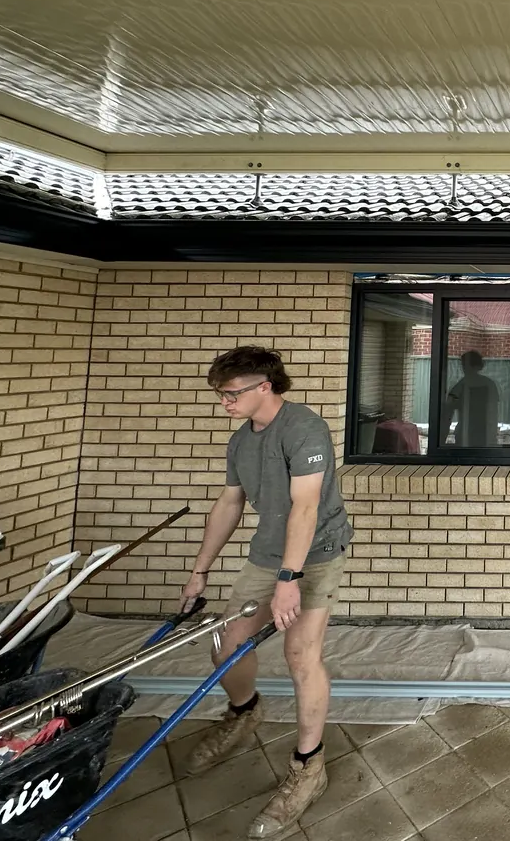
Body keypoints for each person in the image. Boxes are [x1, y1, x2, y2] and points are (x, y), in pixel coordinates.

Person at [179, 345, 352, 839]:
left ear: (265, 387)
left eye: (231, 393)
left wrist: (288, 581)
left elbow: (306, 507)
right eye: (220, 394)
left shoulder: (304, 428)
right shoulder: (240, 441)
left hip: (316, 554)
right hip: (267, 554)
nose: (224, 402)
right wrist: (200, 570)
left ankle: (308, 766)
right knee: (225, 645)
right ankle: (244, 712)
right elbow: (229, 504)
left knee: (301, 656)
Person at [439, 349, 501, 446]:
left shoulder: (459, 387)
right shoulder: (489, 385)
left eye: (465, 365)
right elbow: (493, 413)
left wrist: (441, 441)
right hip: (482, 436)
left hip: (468, 436)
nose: (464, 368)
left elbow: (448, 415)